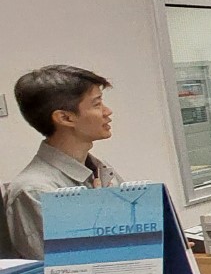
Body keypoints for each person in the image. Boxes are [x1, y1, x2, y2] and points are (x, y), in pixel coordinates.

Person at [3, 66, 123, 259]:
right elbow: (60, 268)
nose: (107, 112)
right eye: (97, 104)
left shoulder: (101, 169)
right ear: (65, 118)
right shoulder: (35, 191)